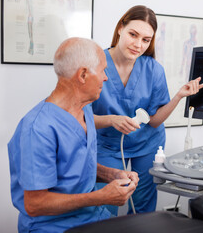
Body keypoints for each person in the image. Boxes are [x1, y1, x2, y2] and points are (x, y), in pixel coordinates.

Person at [8, 37, 139, 233]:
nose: (105, 77)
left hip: (92, 217)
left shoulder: (85, 111)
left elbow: (75, 167)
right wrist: (100, 197)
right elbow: (35, 204)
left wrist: (112, 174)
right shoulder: (38, 128)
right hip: (52, 226)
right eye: (103, 70)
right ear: (83, 75)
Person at [92, 5, 203, 215]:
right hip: (108, 144)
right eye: (133, 34)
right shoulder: (95, 64)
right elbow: (80, 118)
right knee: (105, 204)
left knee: (142, 206)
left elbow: (155, 121)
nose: (138, 45)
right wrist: (112, 120)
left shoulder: (153, 69)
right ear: (121, 28)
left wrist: (178, 96)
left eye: (146, 40)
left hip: (147, 144)